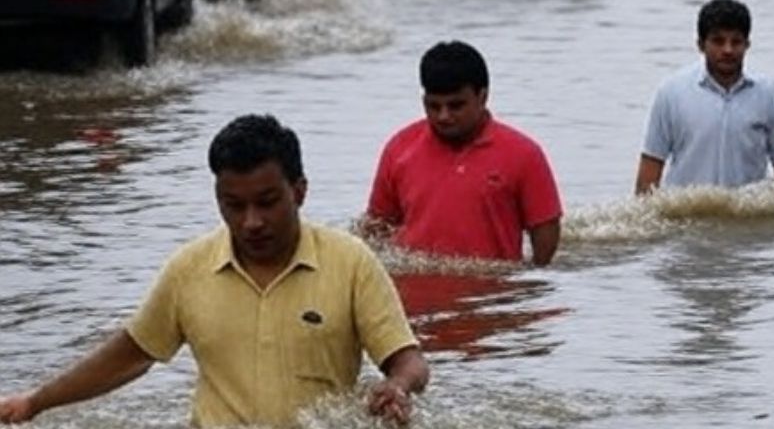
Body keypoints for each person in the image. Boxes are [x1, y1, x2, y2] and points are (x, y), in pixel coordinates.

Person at [0, 114, 429, 428]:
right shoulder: (189, 269)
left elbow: (408, 361)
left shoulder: (351, 262)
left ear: (299, 192)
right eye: (234, 205)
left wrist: (397, 387)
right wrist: (36, 402)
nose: (251, 221)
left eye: (267, 202)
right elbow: (131, 354)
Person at [363, 41, 562, 265]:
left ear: (482, 97)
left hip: (496, 286)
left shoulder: (524, 154)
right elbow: (376, 230)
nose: (443, 116)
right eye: (434, 106)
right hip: (415, 285)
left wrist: (529, 280)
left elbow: (545, 230)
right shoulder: (399, 149)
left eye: (456, 106)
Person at [635, 0, 774, 194]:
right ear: (700, 44)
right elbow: (650, 170)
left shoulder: (768, 94)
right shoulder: (671, 93)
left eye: (736, 42)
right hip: (688, 212)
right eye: (718, 41)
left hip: (748, 212)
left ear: (747, 44)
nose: (728, 50)